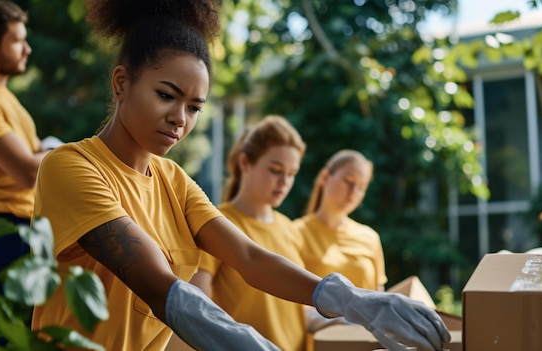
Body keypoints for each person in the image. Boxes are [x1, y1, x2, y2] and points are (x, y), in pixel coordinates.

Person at [32, 0, 450, 350]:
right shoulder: (70, 167)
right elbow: (158, 285)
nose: (180, 119)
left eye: (195, 107)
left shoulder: (173, 180)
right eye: (166, 95)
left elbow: (249, 258)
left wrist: (354, 300)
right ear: (121, 82)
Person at [190, 115, 308, 351]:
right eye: (276, 170)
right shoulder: (216, 224)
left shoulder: (290, 228)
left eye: (292, 173)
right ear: (245, 163)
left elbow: (300, 312)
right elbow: (196, 312)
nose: (285, 181)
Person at [0, 0, 61, 342]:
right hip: (2, 234)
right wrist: (55, 150)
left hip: (26, 232)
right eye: (18, 40)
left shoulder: (7, 99)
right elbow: (28, 172)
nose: (28, 48)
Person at [294, 149, 387, 291]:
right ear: (325, 177)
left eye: (361, 187)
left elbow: (379, 295)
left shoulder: (370, 238)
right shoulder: (295, 232)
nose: (354, 191)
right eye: (348, 181)